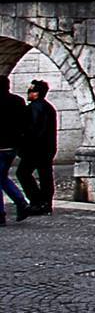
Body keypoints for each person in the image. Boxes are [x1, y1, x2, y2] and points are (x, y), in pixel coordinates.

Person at [21, 80, 56, 215]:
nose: (28, 93)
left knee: (23, 173)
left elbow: (34, 130)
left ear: (36, 93)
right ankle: (46, 203)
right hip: (47, 148)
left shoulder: (35, 107)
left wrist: (25, 146)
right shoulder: (48, 107)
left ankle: (37, 201)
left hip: (36, 149)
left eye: (30, 91)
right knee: (45, 176)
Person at [0, 73, 29, 226]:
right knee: (2, 178)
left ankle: (1, 214)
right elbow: (24, 124)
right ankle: (22, 203)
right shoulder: (18, 101)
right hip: (12, 147)